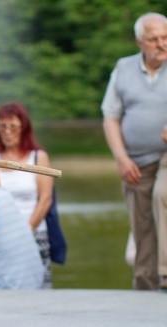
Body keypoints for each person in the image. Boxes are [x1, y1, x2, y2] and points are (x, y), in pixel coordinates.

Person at [102, 12, 167, 291]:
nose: (162, 44)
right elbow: (111, 117)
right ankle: (145, 285)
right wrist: (122, 158)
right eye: (154, 39)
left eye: (166, 38)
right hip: (136, 159)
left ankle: (165, 273)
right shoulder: (123, 68)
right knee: (141, 225)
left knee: (162, 195)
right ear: (140, 41)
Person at [0, 102, 54, 288]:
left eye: (13, 127)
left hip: (33, 233)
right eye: (2, 126)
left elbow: (45, 199)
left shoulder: (38, 157)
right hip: (2, 236)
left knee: (38, 286)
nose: (7, 131)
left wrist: (26, 231)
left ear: (23, 128)